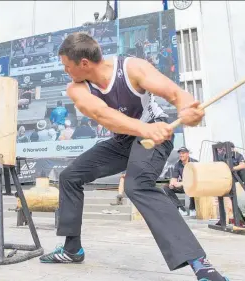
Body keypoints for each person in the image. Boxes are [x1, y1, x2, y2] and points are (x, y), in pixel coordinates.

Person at [39, 32, 228, 281]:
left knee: (137, 185)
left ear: (83, 63)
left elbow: (174, 92)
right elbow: (103, 114)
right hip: (127, 137)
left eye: (67, 66)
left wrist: (187, 107)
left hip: (155, 133)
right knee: (70, 177)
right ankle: (72, 249)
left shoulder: (132, 68)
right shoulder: (77, 88)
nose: (66, 72)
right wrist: (142, 129)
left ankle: (200, 264)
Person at [163, 147, 198, 216]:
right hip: (184, 186)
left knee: (193, 185)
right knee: (166, 187)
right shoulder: (178, 164)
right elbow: (174, 177)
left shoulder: (195, 162)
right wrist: (172, 183)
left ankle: (192, 208)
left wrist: (181, 183)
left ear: (187, 154)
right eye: (180, 153)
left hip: (193, 184)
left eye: (183, 153)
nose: (181, 155)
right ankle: (181, 209)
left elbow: (196, 178)